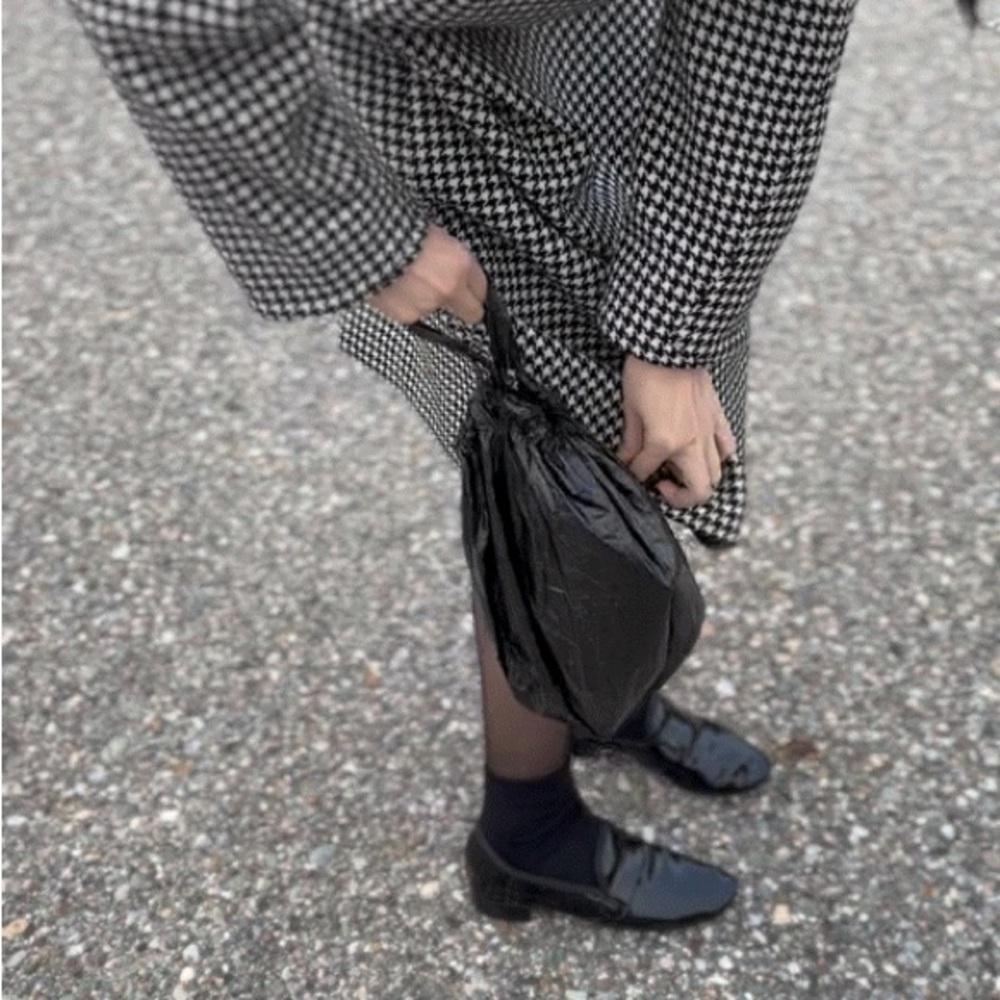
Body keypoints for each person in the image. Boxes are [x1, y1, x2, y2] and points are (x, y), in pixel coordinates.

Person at [69, 0, 862, 927]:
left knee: (630, 459)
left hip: (634, 90)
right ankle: (524, 833)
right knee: (540, 488)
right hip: (439, 129)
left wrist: (677, 321)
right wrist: (359, 232)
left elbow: (766, 32)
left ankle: (606, 695)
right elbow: (155, 13)